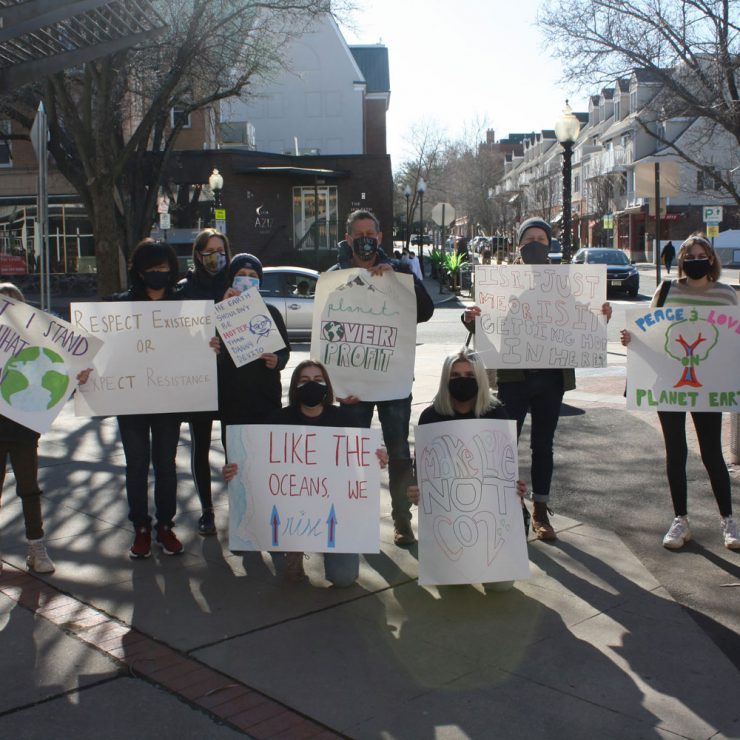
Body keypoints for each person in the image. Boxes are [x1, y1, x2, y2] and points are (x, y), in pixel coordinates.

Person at [462, 217, 612, 541]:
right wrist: (469, 318)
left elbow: (581, 321)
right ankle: (508, 506)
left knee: (543, 445)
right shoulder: (501, 282)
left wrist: (601, 316)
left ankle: (541, 509)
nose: (534, 243)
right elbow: (486, 327)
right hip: (513, 377)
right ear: (519, 245)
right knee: (505, 444)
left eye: (541, 238)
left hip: (551, 377)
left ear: (550, 244)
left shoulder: (566, 281)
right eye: (528, 238)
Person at [621, 233, 739, 550]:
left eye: (701, 255)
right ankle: (680, 520)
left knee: (712, 452)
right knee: (676, 451)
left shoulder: (727, 295)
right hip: (669, 383)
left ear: (711, 259)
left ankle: (728, 520)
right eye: (689, 255)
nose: (695, 260)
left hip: (709, 385)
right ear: (681, 261)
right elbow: (649, 331)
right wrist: (630, 340)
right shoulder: (667, 290)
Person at [223, 360, 387, 586]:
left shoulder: (345, 419)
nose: (312, 385)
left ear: (327, 386)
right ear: (294, 387)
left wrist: (375, 458)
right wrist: (235, 471)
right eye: (304, 381)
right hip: (292, 509)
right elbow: (256, 465)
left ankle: (321, 545)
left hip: (335, 511)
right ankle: (293, 550)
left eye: (318, 380)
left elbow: (359, 466)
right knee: (274, 529)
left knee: (344, 578)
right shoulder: (278, 420)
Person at [337, 209, 435, 546]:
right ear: (349, 238)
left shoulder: (401, 270)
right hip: (353, 385)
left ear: (379, 237)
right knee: (353, 453)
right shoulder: (336, 275)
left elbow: (426, 311)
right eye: (358, 233)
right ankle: (354, 518)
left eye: (371, 233)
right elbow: (327, 329)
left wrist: (395, 280)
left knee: (397, 453)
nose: (365, 239)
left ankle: (401, 520)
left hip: (392, 381)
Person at [406, 349, 528, 591]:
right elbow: (422, 469)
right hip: (450, 519)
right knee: (456, 581)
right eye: (455, 376)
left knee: (500, 587)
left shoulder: (496, 413)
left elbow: (505, 468)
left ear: (481, 379)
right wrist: (417, 490)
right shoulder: (431, 417)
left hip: (489, 517)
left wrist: (517, 488)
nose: (462, 380)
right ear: (445, 380)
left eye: (470, 375)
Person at [0, 283, 91, 574]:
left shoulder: (38, 347)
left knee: (30, 489)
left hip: (24, 430)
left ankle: (36, 546)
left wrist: (78, 376)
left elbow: (59, 375)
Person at [107, 239, 186, 559]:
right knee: (136, 465)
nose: (157, 274)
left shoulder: (185, 308)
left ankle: (165, 525)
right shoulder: (120, 306)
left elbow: (194, 349)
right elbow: (103, 351)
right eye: (151, 270)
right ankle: (140, 527)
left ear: (171, 269)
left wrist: (208, 346)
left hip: (169, 399)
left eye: (163, 269)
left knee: (166, 465)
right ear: (139, 272)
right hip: (131, 401)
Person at [177, 228, 232, 535]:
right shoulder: (185, 289)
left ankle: (240, 504)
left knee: (233, 445)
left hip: (230, 379)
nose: (216, 257)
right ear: (198, 255)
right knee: (200, 447)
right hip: (198, 380)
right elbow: (177, 333)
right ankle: (207, 511)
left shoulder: (235, 285)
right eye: (210, 252)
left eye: (221, 251)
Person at [218, 253, 290, 455]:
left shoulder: (272, 312)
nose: (247, 279)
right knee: (236, 463)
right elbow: (213, 355)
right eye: (241, 274)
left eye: (253, 275)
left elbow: (285, 352)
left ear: (259, 281)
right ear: (232, 278)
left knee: (266, 460)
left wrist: (277, 361)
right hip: (232, 404)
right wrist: (224, 310)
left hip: (266, 402)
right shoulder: (219, 312)